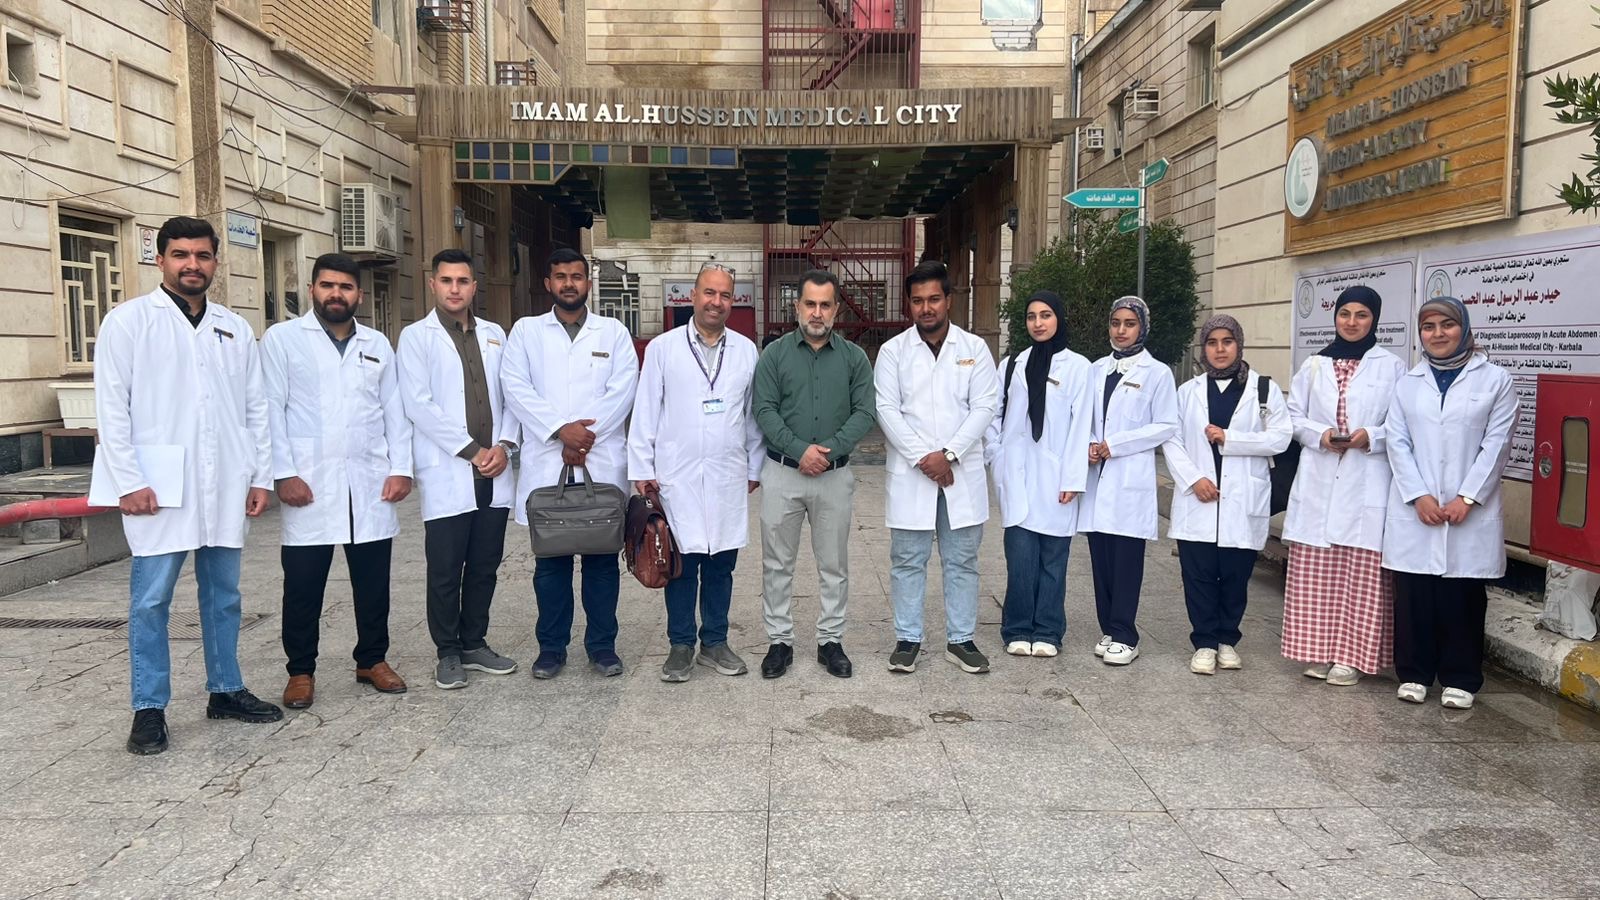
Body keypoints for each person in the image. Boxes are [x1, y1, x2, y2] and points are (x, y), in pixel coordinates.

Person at [90, 216, 280, 755]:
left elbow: (256, 407)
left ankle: (226, 689)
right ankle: (149, 708)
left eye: (202, 255)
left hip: (224, 480)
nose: (192, 264)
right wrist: (129, 480)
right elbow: (112, 409)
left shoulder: (233, 327)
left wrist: (260, 475)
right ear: (160, 259)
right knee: (151, 600)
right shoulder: (128, 322)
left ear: (216, 261)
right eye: (180, 254)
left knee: (224, 596)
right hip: (157, 485)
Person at [262, 253, 414, 709]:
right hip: (309, 480)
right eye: (327, 285)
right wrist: (283, 473)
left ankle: (372, 660)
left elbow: (395, 410)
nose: (336, 294)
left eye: (346, 287)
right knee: (303, 586)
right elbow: (270, 410)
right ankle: (300, 671)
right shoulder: (283, 340)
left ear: (359, 295)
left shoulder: (377, 344)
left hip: (368, 480)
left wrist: (400, 468)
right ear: (312, 290)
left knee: (373, 583)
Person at [502, 248, 638, 679]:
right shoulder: (526, 331)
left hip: (600, 463)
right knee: (551, 565)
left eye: (576, 276)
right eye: (560, 276)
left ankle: (602, 647)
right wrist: (561, 430)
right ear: (548, 283)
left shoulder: (613, 332)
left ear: (588, 283)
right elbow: (515, 386)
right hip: (548, 464)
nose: (569, 284)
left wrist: (582, 439)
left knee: (602, 563)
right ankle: (551, 648)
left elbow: (623, 390)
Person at [629, 263, 765, 682]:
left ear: (732, 301)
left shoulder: (746, 350)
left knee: (721, 564)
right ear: (693, 295)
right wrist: (642, 467)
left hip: (727, 474)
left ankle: (716, 642)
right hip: (677, 476)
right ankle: (681, 644)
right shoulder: (664, 348)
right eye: (709, 292)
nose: (716, 302)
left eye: (724, 295)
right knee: (681, 564)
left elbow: (752, 415)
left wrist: (754, 465)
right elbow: (646, 409)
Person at [1383, 296, 1517, 710]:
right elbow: (1397, 442)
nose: (1438, 334)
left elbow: (1497, 444)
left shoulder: (1495, 380)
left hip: (1469, 509)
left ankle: (1461, 677)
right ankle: (1414, 673)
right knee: (1414, 594)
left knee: (1462, 596)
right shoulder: (1408, 382)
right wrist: (1418, 495)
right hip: (1416, 507)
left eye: (1447, 325)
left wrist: (1468, 496)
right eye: (1429, 327)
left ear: (1464, 328)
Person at [398, 249, 521, 690]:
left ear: (474, 287)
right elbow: (418, 404)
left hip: (494, 469)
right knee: (446, 568)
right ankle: (448, 651)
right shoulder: (416, 337)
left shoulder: (495, 334)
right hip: (451, 469)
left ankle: (474, 643)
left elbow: (512, 395)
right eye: (447, 280)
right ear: (432, 284)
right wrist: (472, 451)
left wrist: (505, 445)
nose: (455, 289)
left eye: (463, 281)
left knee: (485, 564)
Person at [875, 260, 999, 675]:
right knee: (908, 560)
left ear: (948, 300)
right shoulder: (893, 352)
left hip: (959, 470)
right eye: (917, 301)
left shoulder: (974, 349)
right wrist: (925, 459)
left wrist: (949, 454)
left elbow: (984, 407)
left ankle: (961, 639)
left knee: (961, 560)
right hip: (913, 472)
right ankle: (907, 638)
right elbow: (887, 410)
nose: (926, 308)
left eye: (933, 299)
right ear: (909, 304)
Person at [752, 269, 877, 679]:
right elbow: (763, 409)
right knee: (777, 563)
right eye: (810, 304)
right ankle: (779, 642)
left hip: (833, 476)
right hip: (783, 473)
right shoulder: (774, 356)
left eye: (825, 305)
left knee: (834, 564)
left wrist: (828, 451)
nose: (817, 312)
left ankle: (830, 641)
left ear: (837, 309)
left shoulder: (854, 358)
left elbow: (865, 412)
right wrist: (799, 450)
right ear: (797, 307)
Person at [1281, 286, 1408, 687]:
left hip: (1366, 477)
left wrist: (1370, 436)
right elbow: (1292, 417)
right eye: (1345, 314)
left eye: (1361, 315)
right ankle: (1317, 650)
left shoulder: (1392, 367)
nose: (1352, 322)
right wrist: (1319, 435)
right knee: (1317, 572)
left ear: (1375, 319)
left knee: (1360, 575)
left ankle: (1351, 658)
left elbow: (1401, 424)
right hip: (1320, 477)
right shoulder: (1314, 365)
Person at [1162, 315, 1292, 675]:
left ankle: (1227, 640)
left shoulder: (1263, 389)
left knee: (1236, 576)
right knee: (1198, 576)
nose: (1220, 350)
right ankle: (1204, 642)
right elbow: (1172, 439)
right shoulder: (1187, 392)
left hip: (1242, 499)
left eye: (1227, 342)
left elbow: (1281, 437)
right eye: (1212, 343)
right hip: (1199, 498)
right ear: (1203, 348)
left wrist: (1230, 439)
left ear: (1239, 345)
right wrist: (1194, 480)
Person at [984, 290, 1093, 658]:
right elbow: (994, 414)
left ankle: (1047, 630)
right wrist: (996, 454)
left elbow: (1082, 425)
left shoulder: (1078, 367)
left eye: (1046, 315)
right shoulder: (1012, 364)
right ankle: (1017, 627)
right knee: (1020, 557)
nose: (1038, 323)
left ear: (1058, 318)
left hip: (1057, 476)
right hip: (1017, 472)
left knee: (1053, 560)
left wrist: (1073, 478)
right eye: (1032, 316)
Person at [1078, 296, 1179, 666]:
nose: (1121, 330)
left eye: (1129, 324)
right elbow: (1084, 418)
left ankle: (1126, 634)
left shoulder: (1158, 373)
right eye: (1116, 323)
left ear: (1142, 327)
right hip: (1098, 476)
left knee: (1126, 560)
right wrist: (1090, 444)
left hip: (1128, 476)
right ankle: (1109, 629)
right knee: (1101, 557)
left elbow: (1166, 424)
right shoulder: (1095, 370)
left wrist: (1115, 444)